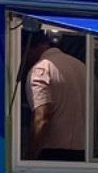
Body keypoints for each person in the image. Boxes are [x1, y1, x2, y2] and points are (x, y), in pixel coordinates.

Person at [21, 28, 88, 161]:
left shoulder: (41, 69)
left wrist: (30, 157)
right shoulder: (82, 67)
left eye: (23, 52)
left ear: (27, 47)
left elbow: (42, 119)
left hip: (52, 154)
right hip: (85, 154)